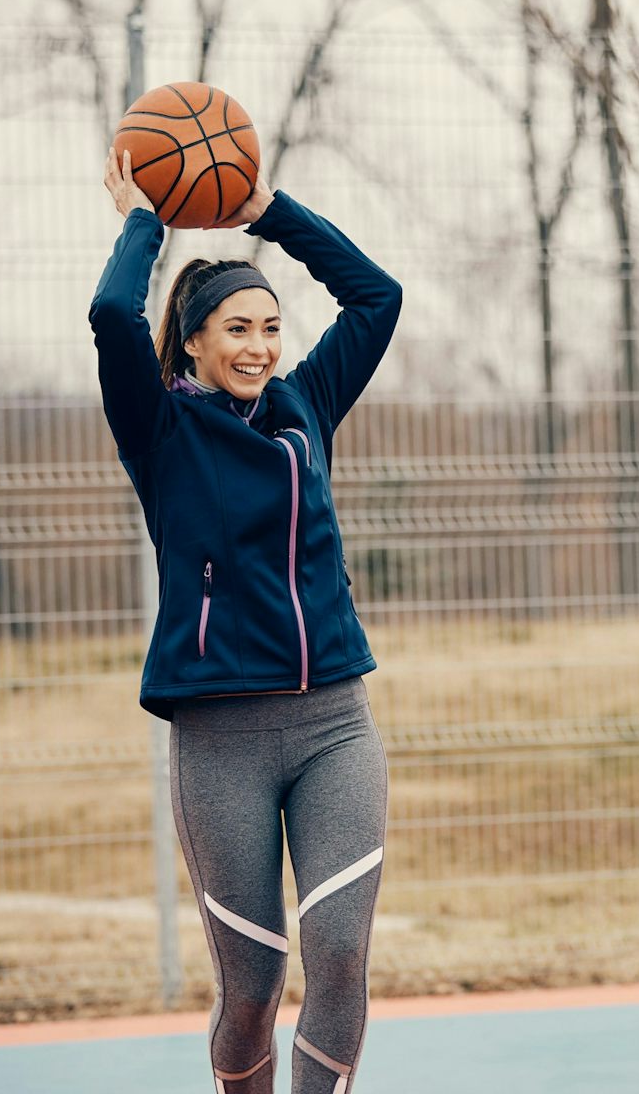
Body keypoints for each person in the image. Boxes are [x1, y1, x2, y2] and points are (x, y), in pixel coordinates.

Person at [92, 151, 402, 1094]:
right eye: (238, 329)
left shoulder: (305, 403)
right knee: (256, 982)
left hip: (334, 725)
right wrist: (145, 218)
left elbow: (376, 298)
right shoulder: (161, 429)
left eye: (271, 327)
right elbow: (113, 315)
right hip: (220, 736)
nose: (261, 345)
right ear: (191, 343)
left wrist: (267, 211)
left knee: (340, 954)